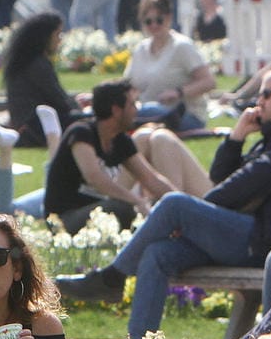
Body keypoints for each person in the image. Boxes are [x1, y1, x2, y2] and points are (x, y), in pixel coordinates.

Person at [55, 67, 271, 339]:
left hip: (269, 246)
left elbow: (239, 188)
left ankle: (111, 278)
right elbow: (222, 177)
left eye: (267, 94)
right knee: (157, 254)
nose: (258, 101)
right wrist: (236, 136)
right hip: (247, 237)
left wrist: (195, 215)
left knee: (175, 204)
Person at [43, 79, 174, 232]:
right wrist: (136, 201)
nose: (136, 110)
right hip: (65, 219)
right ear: (116, 110)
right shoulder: (81, 133)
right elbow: (95, 178)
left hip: (98, 212)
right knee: (123, 209)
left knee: (157, 206)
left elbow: (150, 178)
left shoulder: (120, 140)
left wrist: (179, 201)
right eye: (132, 104)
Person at [123, 0, 213, 131]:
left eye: (159, 20)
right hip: (147, 111)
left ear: (169, 17)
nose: (154, 25)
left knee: (153, 111)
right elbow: (127, 86)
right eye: (148, 21)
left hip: (186, 116)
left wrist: (178, 93)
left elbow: (208, 82)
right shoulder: (141, 49)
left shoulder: (181, 46)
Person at [3, 12, 81, 147]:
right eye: (57, 34)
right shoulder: (37, 64)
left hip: (28, 124)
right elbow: (60, 100)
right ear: (45, 37)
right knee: (92, 121)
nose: (59, 40)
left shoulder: (27, 61)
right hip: (35, 127)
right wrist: (80, 110)